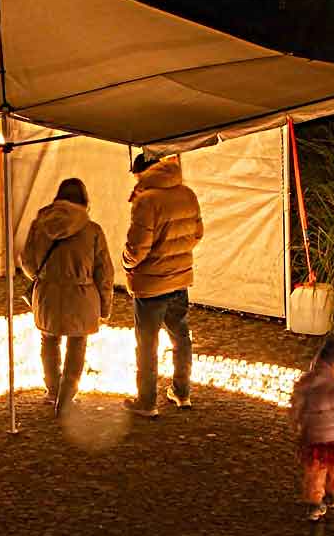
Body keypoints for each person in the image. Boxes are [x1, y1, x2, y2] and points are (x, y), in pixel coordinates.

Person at [20, 177, 114, 417]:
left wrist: (44, 277)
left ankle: (52, 390)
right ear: (84, 201)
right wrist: (105, 307)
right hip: (82, 296)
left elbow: (27, 261)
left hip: (48, 295)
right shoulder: (93, 230)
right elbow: (104, 273)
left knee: (49, 341)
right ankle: (66, 398)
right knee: (77, 344)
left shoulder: (39, 224)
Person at [122, 154, 203, 418]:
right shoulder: (187, 193)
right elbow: (197, 233)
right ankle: (182, 392)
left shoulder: (147, 201)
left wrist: (126, 263)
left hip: (151, 284)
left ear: (143, 172)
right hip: (179, 279)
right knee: (180, 337)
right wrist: (176, 254)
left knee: (147, 344)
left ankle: (147, 402)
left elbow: (137, 247)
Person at [290, 338, 334, 524]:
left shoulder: (306, 383)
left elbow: (296, 404)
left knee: (315, 473)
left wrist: (298, 423)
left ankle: (314, 504)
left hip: (313, 438)